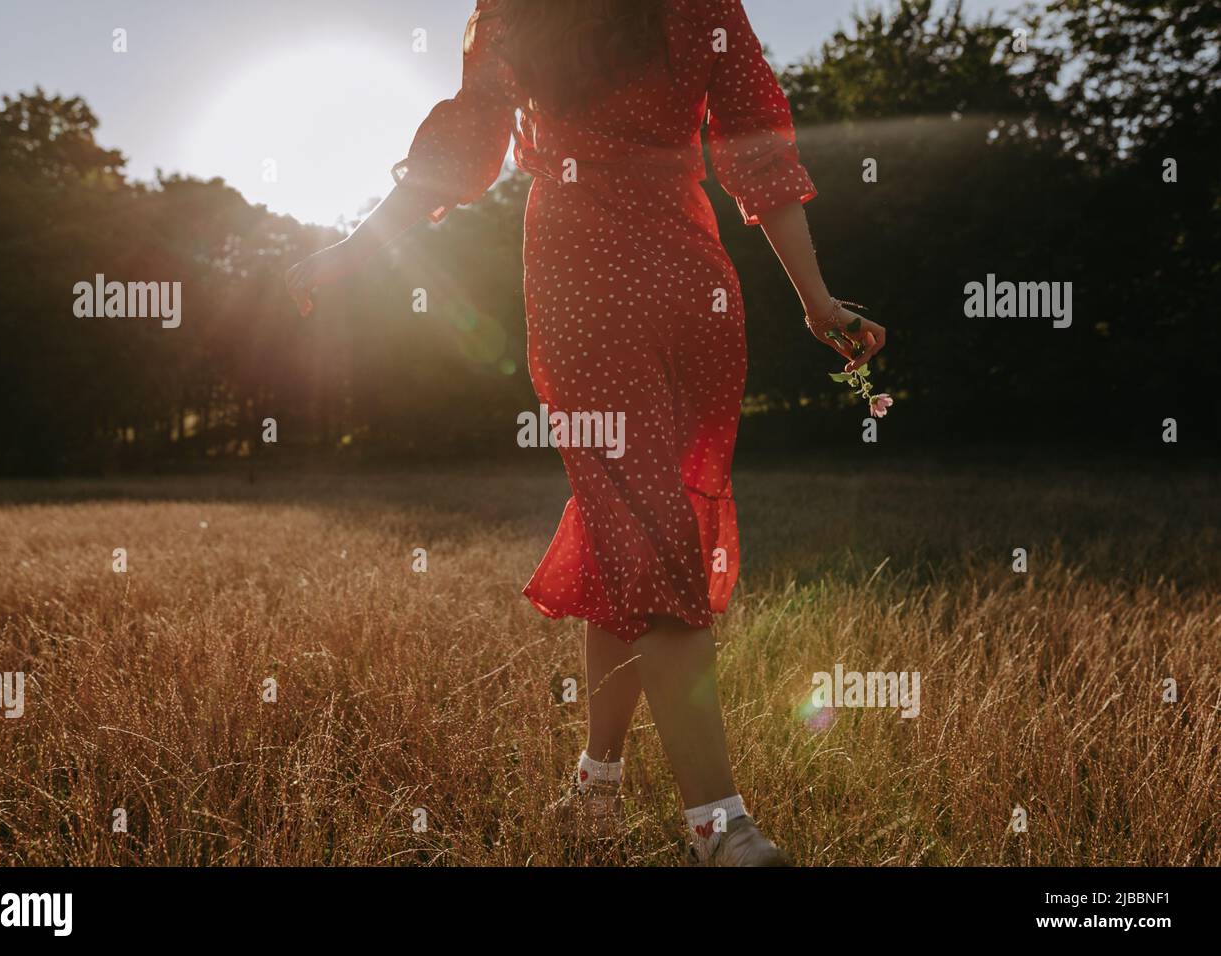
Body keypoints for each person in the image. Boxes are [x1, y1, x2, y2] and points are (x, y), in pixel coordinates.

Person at [286, 0, 886, 866]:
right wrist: (814, 300)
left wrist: (355, 245)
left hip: (609, 278)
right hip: (678, 281)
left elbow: (463, 147)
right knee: (649, 531)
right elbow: (757, 148)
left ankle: (595, 789)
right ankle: (722, 828)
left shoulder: (523, 12)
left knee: (634, 532)